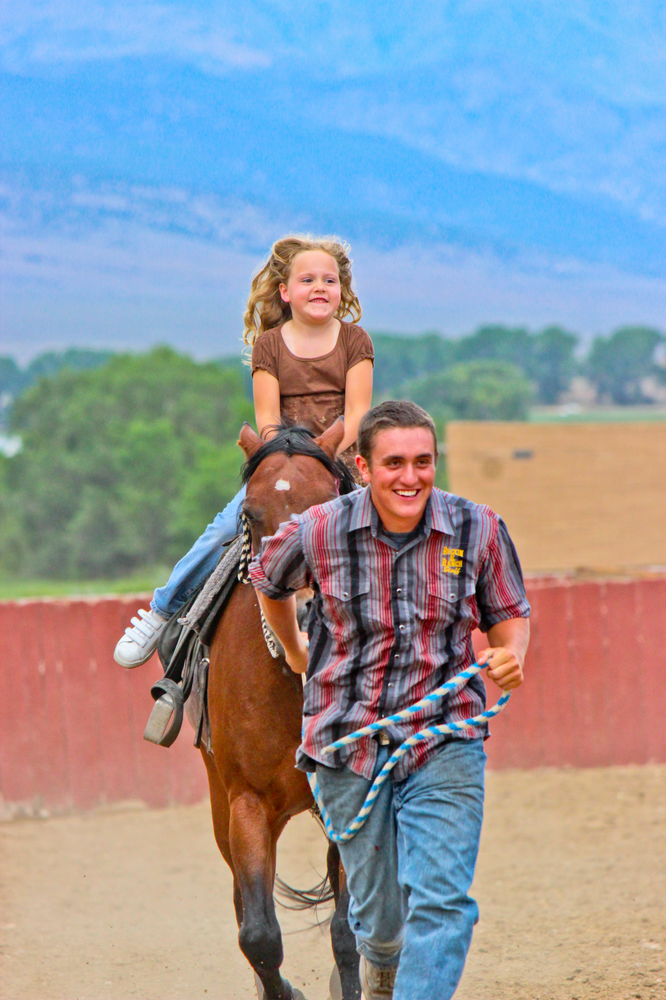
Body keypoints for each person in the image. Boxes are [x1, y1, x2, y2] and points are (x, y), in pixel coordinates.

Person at [249, 400, 530, 1000]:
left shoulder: (478, 528)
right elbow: (269, 580)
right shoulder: (319, 529)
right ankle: (381, 970)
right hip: (346, 743)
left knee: (442, 902)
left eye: (423, 461)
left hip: (444, 737)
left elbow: (508, 617)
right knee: (379, 921)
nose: (411, 477)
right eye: (394, 462)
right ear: (364, 465)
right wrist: (297, 651)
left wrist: (510, 654)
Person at [113, 234, 374, 668]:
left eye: (329, 280)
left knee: (389, 533)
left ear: (342, 291)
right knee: (223, 529)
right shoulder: (269, 345)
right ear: (285, 292)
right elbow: (269, 418)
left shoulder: (355, 341)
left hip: (341, 463)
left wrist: (325, 456)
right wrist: (292, 457)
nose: (320, 287)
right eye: (307, 279)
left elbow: (358, 413)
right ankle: (162, 612)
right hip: (281, 464)